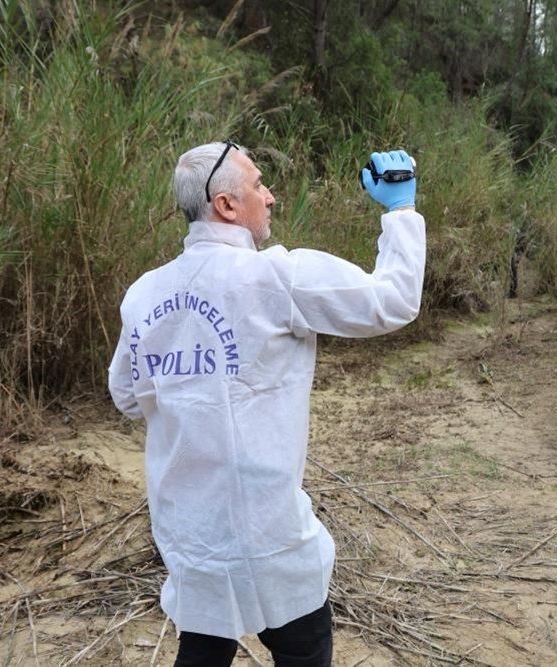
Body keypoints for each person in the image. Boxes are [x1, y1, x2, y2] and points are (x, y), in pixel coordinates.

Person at [108, 143, 426, 667]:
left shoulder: (145, 293)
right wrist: (400, 211)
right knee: (303, 649)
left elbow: (126, 396)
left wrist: (192, 388)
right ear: (227, 205)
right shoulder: (278, 276)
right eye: (259, 185)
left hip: (192, 533)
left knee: (204, 644)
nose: (271, 196)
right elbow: (392, 301)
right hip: (269, 534)